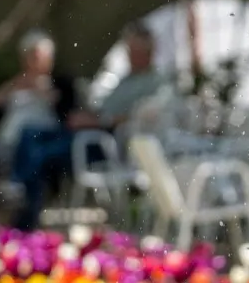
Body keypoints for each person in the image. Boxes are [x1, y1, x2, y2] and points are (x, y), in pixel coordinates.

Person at [11, 21, 165, 231]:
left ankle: (25, 212)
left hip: (103, 144)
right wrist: (85, 115)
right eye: (129, 51)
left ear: (149, 52)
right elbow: (103, 108)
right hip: (86, 131)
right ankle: (17, 185)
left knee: (40, 155)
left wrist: (98, 121)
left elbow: (137, 118)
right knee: (30, 133)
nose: (130, 56)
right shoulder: (126, 79)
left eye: (134, 51)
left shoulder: (154, 83)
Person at [0, 30, 79, 226]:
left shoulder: (61, 83)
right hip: (4, 142)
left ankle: (17, 214)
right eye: (31, 56)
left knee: (28, 146)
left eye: (40, 56)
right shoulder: (15, 83)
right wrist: (6, 92)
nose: (35, 61)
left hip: (37, 144)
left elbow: (68, 115)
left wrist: (45, 92)